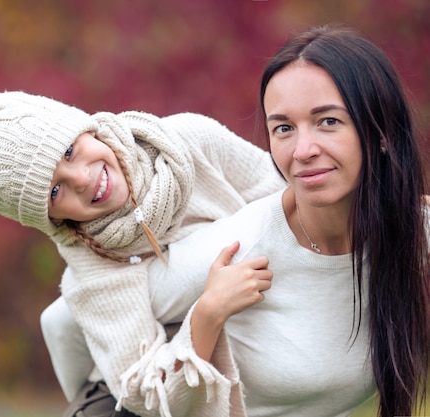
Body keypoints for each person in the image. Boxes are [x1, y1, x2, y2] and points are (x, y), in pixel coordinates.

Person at [0, 91, 285, 415]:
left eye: (67, 152)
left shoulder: (186, 141)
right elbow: (143, 392)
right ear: (52, 219)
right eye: (53, 191)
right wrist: (207, 313)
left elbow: (286, 196)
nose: (82, 179)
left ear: (87, 128)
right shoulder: (93, 270)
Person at [113, 25, 429, 417]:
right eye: (283, 128)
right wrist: (207, 313)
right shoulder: (242, 245)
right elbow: (74, 315)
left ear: (381, 131)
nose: (303, 150)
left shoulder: (411, 234)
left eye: (328, 121)